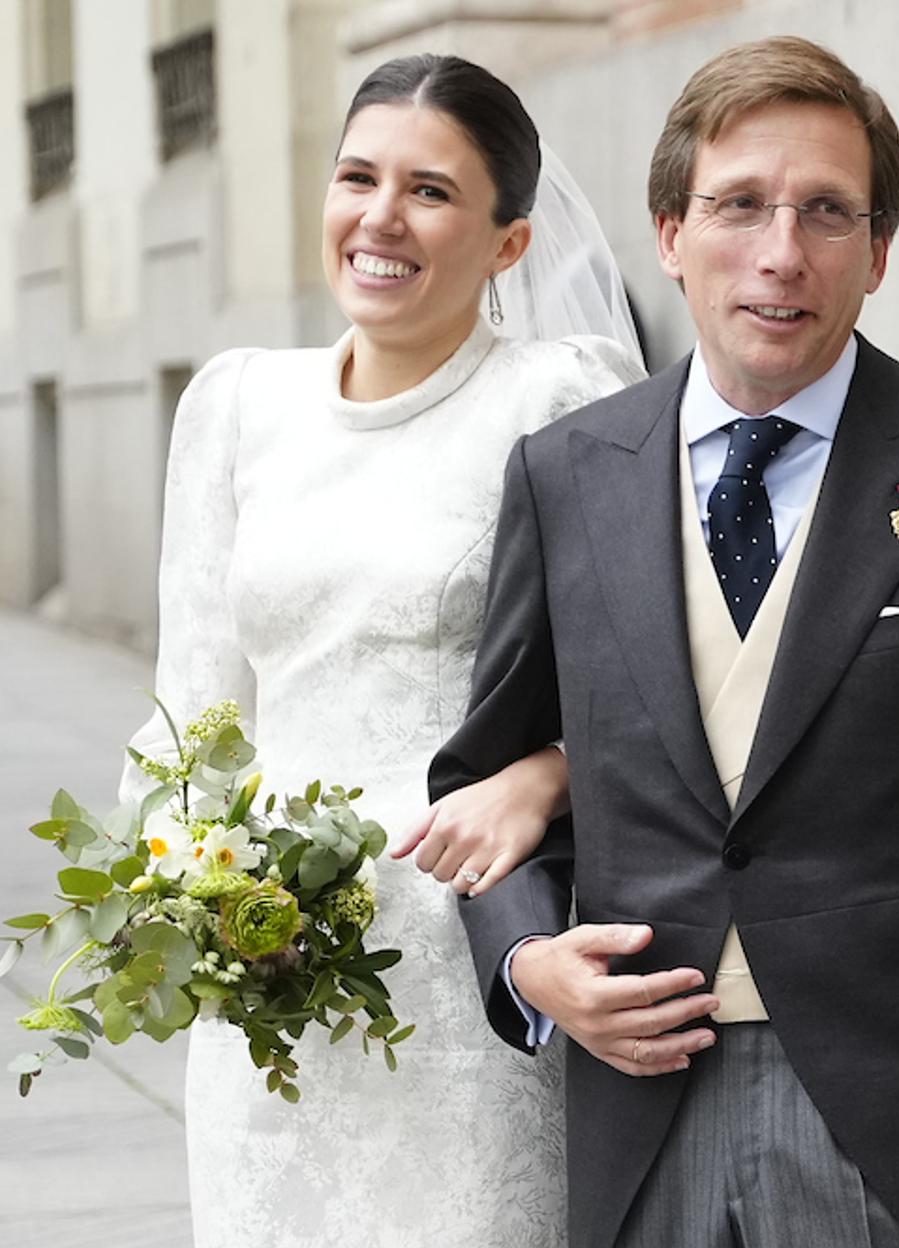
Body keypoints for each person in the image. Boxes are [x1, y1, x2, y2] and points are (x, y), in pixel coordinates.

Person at [430, 36, 899, 1248]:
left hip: (893, 1123)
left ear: (878, 252)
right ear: (670, 233)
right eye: (739, 205)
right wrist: (526, 959)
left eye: (828, 212)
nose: (782, 253)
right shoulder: (567, 475)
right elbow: (487, 774)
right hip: (638, 1112)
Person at [121, 53, 642, 1248]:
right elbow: (189, 711)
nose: (380, 218)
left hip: (472, 965)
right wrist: (183, 895)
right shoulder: (237, 406)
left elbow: (648, 678)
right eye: (358, 176)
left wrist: (549, 770)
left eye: (432, 191)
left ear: (510, 243)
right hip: (269, 980)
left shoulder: (555, 400)